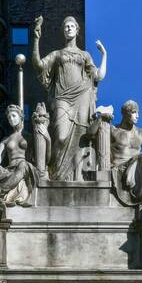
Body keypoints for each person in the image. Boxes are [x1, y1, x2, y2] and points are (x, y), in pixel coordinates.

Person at [32, 15, 107, 180]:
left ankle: (78, 175)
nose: (69, 28)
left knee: (82, 134)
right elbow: (38, 65)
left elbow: (98, 76)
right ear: (63, 31)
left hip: (82, 96)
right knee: (61, 136)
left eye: (72, 26)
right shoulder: (57, 54)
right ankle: (57, 173)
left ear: (77, 30)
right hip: (62, 98)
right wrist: (36, 39)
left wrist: (104, 55)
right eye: (66, 26)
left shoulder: (85, 55)